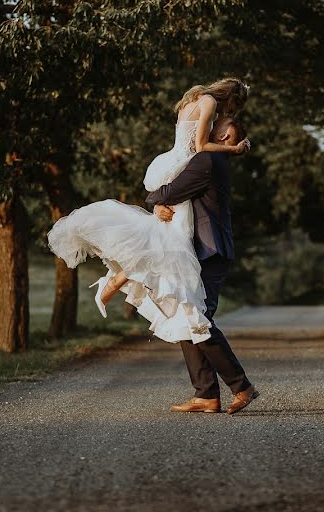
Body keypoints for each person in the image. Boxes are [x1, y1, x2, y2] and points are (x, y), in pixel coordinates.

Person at [47, 78, 251, 347]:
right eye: (235, 106)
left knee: (165, 235)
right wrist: (233, 149)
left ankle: (119, 280)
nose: (231, 113)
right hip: (182, 166)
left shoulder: (194, 98)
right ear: (231, 96)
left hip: (169, 163)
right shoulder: (210, 102)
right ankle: (131, 284)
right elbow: (201, 147)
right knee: (174, 243)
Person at [146, 115, 259, 415]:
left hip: (211, 251)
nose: (207, 126)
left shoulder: (207, 160)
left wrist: (153, 198)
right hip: (200, 251)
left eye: (218, 127)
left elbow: (171, 192)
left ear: (224, 138)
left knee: (198, 319)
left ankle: (242, 386)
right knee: (187, 315)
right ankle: (206, 394)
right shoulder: (207, 159)